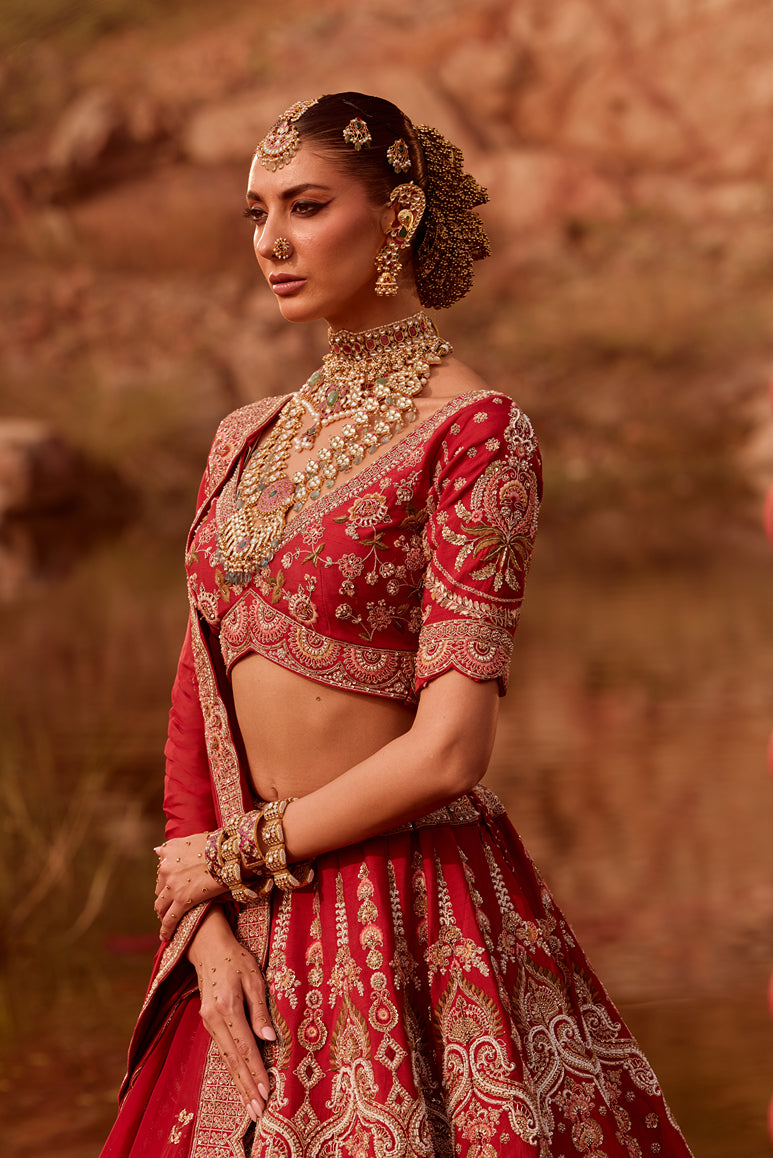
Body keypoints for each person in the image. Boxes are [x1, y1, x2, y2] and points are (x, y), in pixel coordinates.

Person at [101, 92, 694, 1158]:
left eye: (306, 205)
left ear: (397, 215)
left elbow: (449, 751)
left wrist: (232, 858)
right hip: (239, 910)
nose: (271, 242)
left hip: (402, 909)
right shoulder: (244, 438)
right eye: (255, 213)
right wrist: (200, 918)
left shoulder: (475, 433)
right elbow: (199, 686)